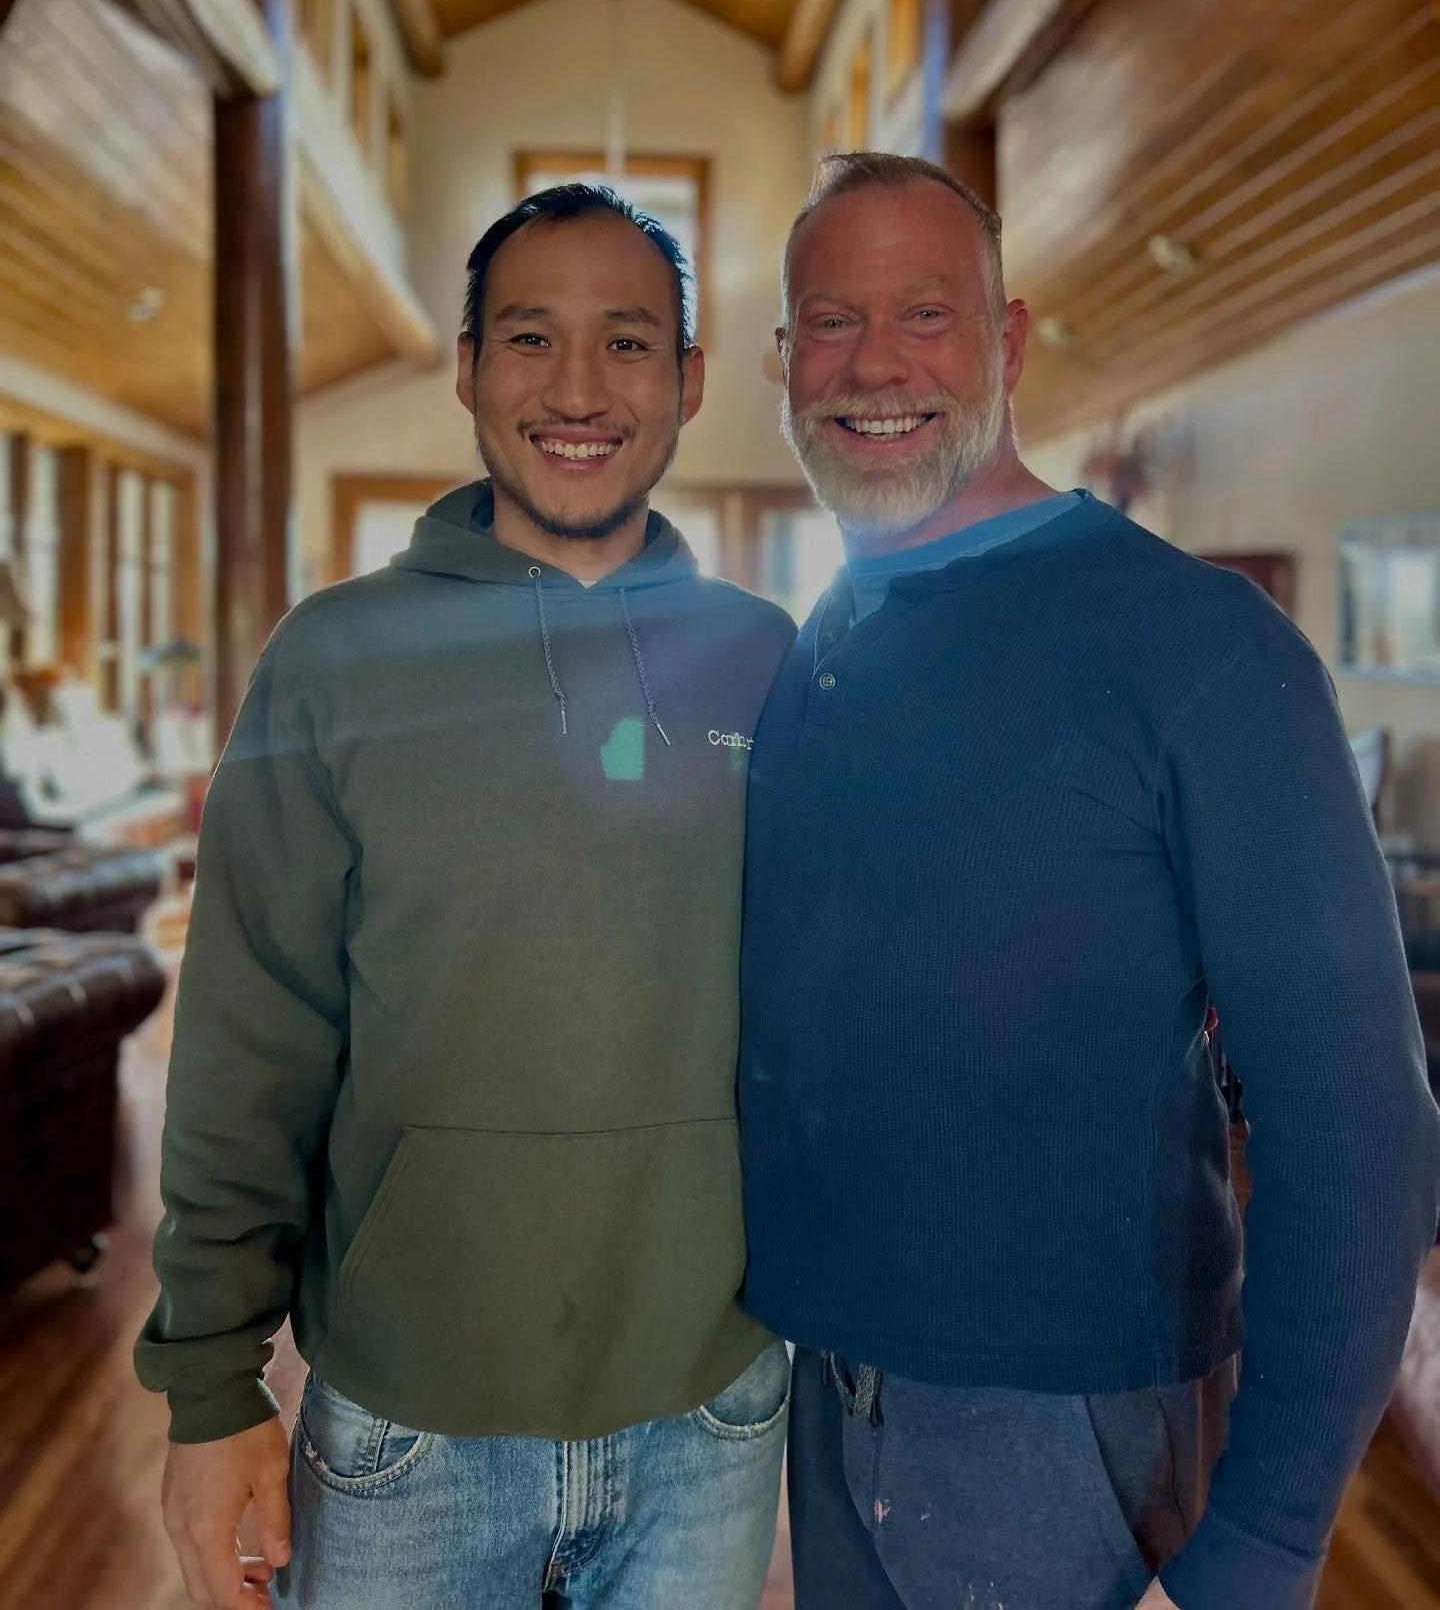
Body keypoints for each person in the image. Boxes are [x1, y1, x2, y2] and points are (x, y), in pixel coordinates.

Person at [738, 151, 1440, 1610]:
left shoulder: (1206, 652)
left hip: (1066, 1439)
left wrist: (1261, 1550)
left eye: (924, 314)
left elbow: (1361, 1129)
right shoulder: (824, 639)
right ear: (780, 362)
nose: (873, 363)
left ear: (1005, 340)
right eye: (830, 321)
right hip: (824, 1397)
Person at [138, 184, 796, 1610]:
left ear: (688, 382)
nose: (575, 389)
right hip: (406, 1427)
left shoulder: (771, 661)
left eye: (627, 344)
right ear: (466, 367)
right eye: (528, 338)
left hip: (714, 1412)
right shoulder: (333, 660)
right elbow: (250, 1037)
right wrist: (209, 1386)